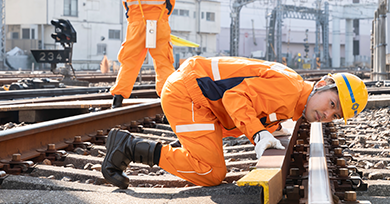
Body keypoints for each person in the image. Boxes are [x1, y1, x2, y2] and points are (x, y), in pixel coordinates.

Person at [102, 56, 368, 188]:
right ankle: (127, 146)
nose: (328, 115)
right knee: (210, 172)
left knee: (211, 163)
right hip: (189, 96)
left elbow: (260, 106)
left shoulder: (295, 97)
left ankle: (162, 145)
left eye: (336, 115)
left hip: (198, 97)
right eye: (332, 104)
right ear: (321, 85)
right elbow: (234, 97)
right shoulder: (289, 89)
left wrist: (269, 129)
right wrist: (259, 134)